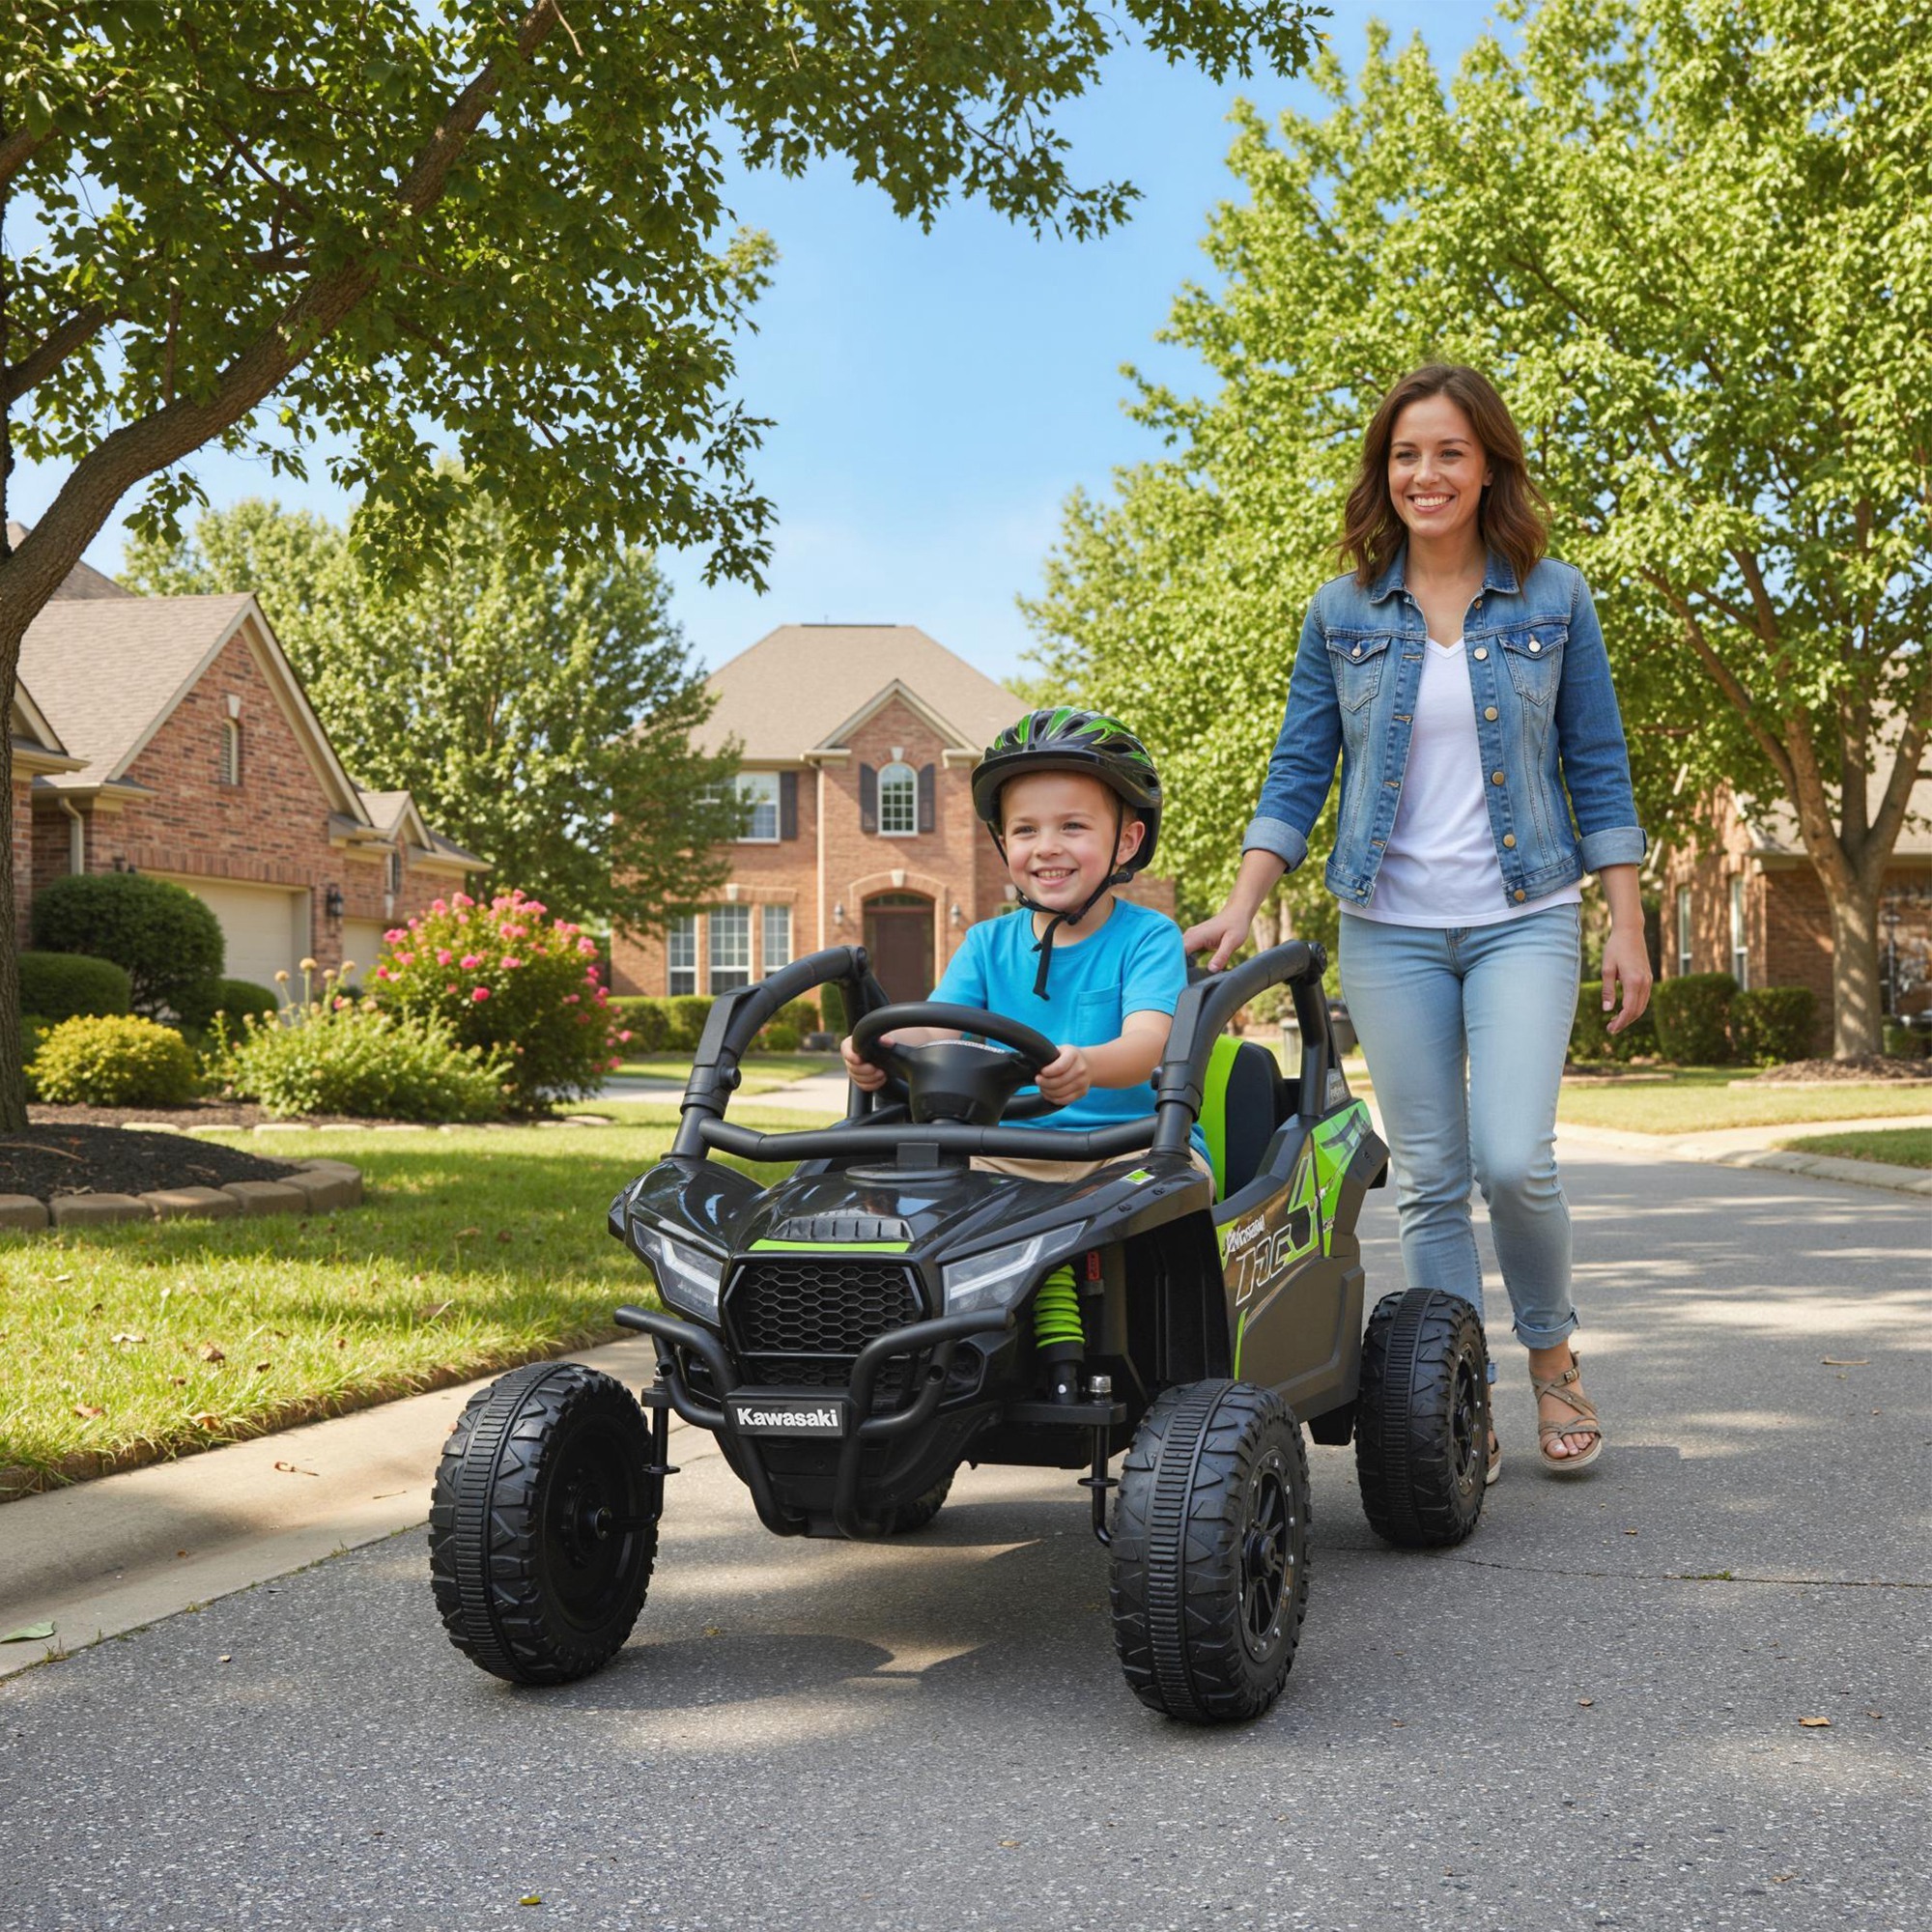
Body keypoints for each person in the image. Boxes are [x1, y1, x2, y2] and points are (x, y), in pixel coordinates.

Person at [1185, 363, 1651, 1479]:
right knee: (1432, 1172)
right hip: (1387, 925)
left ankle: (1550, 1355)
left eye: (1446, 451)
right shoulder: (1342, 611)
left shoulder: (1552, 597)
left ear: (1486, 461)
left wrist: (1625, 924)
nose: (1424, 473)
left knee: (1512, 1158)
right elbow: (1297, 768)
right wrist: (1242, 901)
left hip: (1523, 914)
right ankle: (1457, 1397)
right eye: (1404, 454)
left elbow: (1597, 765)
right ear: (1381, 472)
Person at [840, 708, 1211, 1185]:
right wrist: (878, 1047)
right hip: (1003, 1149)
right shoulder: (985, 943)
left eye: (1072, 827)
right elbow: (932, 1030)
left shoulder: (1149, 937)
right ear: (1002, 842)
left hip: (1130, 1148)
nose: (1047, 847)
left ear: (1126, 841)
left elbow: (1147, 1045)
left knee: (1157, 1199)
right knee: (909, 1198)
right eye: (1025, 830)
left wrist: (1088, 1064)